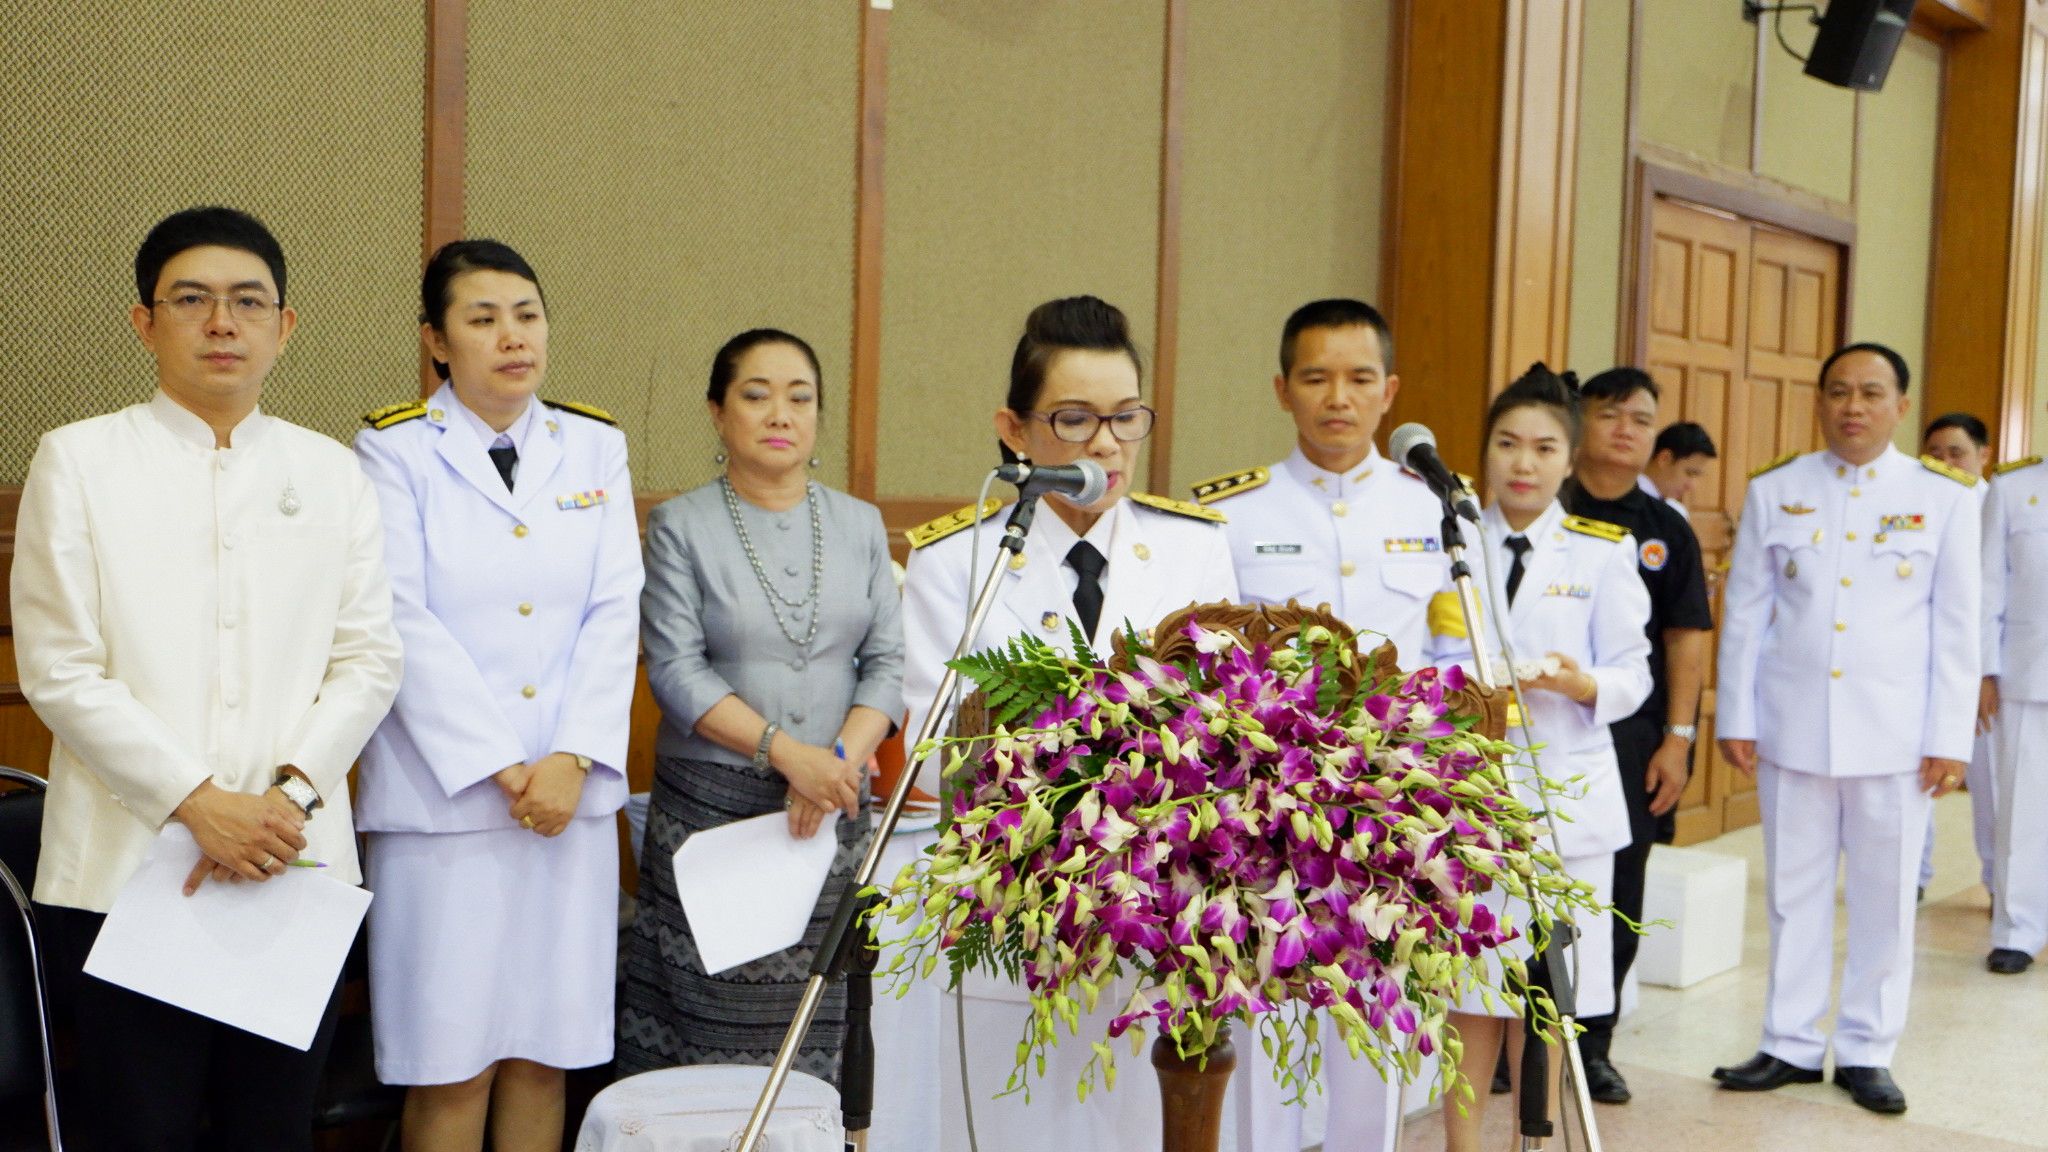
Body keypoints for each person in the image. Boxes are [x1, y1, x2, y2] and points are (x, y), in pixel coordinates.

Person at [12, 206, 403, 1150]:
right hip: (122, 867)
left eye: (247, 301)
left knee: (272, 1130)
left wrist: (286, 798)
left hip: (291, 864)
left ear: (284, 325)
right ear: (145, 322)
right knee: (137, 1128)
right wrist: (197, 801)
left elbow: (369, 658)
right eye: (192, 300)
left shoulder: (332, 471)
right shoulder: (79, 459)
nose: (222, 322)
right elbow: (59, 670)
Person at [898, 295, 1237, 1152]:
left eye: (1127, 417)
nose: (1106, 445)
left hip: (1164, 922)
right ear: (1015, 430)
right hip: (1017, 925)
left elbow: (1230, 726)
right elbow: (937, 758)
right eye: (1075, 419)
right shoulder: (955, 561)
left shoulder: (1196, 548)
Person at [352, 240, 643, 1152]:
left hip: (570, 804)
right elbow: (399, 617)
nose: (512, 337)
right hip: (446, 804)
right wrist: (503, 765)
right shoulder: (390, 449)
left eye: (527, 314)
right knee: (449, 1064)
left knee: (545, 1055)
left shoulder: (595, 443)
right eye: (483, 319)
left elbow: (613, 608)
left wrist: (570, 758)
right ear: (438, 341)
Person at [1190, 298, 1451, 1152]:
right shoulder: (1231, 513)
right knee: (1261, 1012)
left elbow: (1459, 660)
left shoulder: (1434, 510)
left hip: (1391, 804)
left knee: (1375, 1015)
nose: (1337, 397)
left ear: (1390, 391)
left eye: (1359, 378)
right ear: (1281, 389)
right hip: (1267, 811)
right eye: (1316, 377)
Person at [618, 329, 904, 1083]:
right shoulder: (681, 525)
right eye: (756, 394)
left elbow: (886, 667)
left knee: (817, 1028)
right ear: (718, 412)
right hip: (716, 809)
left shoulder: (860, 524)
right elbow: (676, 675)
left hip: (833, 807)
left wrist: (833, 765)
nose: (781, 413)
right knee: (708, 1032)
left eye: (799, 397)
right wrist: (791, 758)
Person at [1712, 342, 1978, 1115]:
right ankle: (1788, 1041)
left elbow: (1958, 628)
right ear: (1820, 401)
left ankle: (1866, 1048)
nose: (1852, 406)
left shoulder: (1946, 497)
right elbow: (1749, 614)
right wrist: (1737, 714)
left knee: (1884, 897)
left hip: (1896, 736)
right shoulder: (1777, 489)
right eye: (1837, 392)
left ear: (1900, 406)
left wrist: (1948, 736)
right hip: (1794, 728)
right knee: (1793, 894)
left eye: (1870, 393)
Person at [1426, 364, 1651, 1152]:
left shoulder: (1601, 551)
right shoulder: (1448, 546)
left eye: (1544, 447)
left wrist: (1579, 680)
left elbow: (1634, 671)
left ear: (1570, 459)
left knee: (1543, 997)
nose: (1524, 462)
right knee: (1469, 993)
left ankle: (1535, 1140)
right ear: (1484, 452)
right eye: (1507, 444)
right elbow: (1421, 659)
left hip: (1567, 812)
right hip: (1469, 807)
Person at [1559, 368, 1714, 1105]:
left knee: (1617, 893)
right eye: (1610, 412)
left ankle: (1593, 1046)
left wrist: (1679, 739)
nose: (1625, 428)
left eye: (1642, 419)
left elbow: (1686, 639)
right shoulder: (1542, 503)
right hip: (1536, 731)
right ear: (1579, 418)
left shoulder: (1666, 529)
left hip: (1631, 736)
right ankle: (1512, 1036)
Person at [1918, 412, 1996, 899]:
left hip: (1988, 676)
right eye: (1935, 453)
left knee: (1992, 789)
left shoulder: (2000, 507)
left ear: (1983, 456)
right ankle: (1915, 877)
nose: (1945, 462)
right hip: (1923, 668)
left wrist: (1986, 673)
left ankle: (2000, 885)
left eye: (1957, 453)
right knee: (1918, 779)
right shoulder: (1912, 506)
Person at [1979, 438, 2047, 975]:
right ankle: (2017, 930)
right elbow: (1985, 589)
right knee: (2021, 812)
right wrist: (1983, 669)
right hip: (2028, 672)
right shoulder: (2013, 488)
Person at [1638, 421, 1717, 521]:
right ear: (1665, 459)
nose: (1691, 486)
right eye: (1689, 473)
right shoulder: (1620, 501)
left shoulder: (1677, 512)